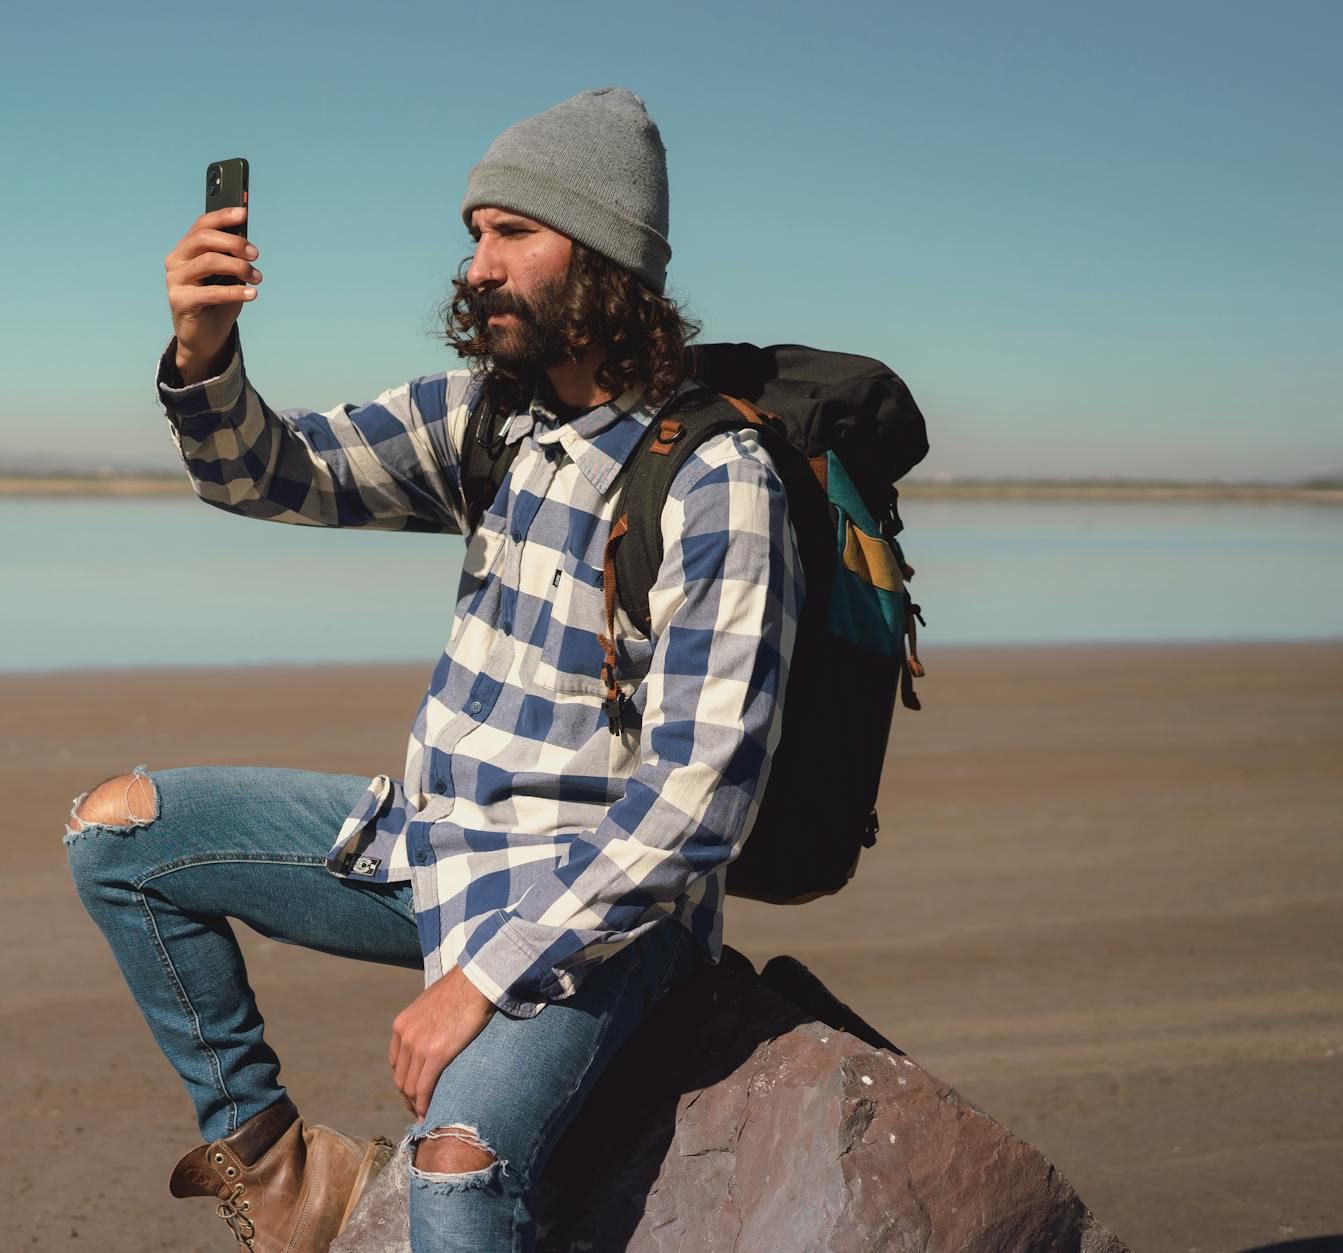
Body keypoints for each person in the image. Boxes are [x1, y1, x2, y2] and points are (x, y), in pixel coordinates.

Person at [64, 87, 800, 1253]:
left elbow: (696, 800)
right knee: (120, 836)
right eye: (473, 234)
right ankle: (278, 1168)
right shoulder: (484, 419)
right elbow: (273, 472)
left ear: (604, 254)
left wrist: (480, 984)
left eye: (512, 234)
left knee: (456, 1165)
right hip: (430, 847)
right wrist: (203, 349)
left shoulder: (716, 477)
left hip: (591, 914)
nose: (475, 266)